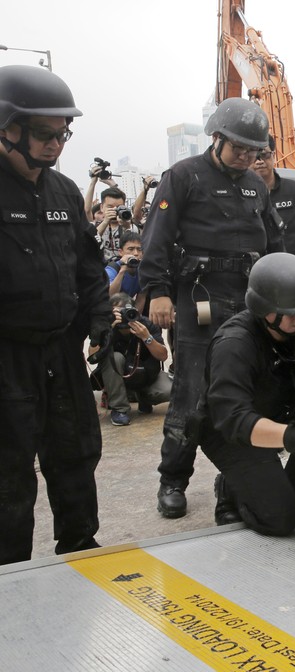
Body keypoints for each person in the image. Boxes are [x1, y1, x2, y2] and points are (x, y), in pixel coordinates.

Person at [140, 96, 284, 520]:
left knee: (248, 392)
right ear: (216, 138)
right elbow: (157, 239)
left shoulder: (257, 186)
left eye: (253, 151)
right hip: (200, 299)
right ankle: (173, 478)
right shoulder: (183, 177)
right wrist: (157, 291)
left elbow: (275, 246)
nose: (245, 156)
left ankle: (235, 481)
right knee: (191, 395)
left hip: (249, 301)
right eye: (238, 147)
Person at [0, 65, 112, 564]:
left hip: (61, 350)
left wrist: (101, 319)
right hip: (8, 357)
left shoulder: (66, 193)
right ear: (7, 127)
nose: (56, 144)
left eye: (63, 133)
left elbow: (89, 268)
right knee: (8, 472)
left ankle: (79, 551)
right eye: (44, 133)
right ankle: (10, 575)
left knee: (75, 454)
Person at [197, 253, 295, 533]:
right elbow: (233, 419)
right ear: (265, 310)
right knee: (280, 519)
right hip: (231, 434)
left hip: (276, 410)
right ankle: (229, 489)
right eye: (293, 312)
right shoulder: (234, 345)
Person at [91, 293, 172, 426]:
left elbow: (163, 356)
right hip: (118, 377)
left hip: (145, 376)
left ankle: (143, 397)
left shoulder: (146, 324)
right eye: (119, 312)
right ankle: (120, 409)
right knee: (115, 357)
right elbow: (92, 357)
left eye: (127, 311)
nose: (124, 316)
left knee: (170, 390)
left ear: (135, 311)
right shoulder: (106, 326)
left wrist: (147, 337)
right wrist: (106, 330)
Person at [106, 231, 144, 298]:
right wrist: (122, 270)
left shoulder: (142, 271)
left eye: (139, 249)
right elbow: (110, 296)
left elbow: (141, 299)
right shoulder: (112, 269)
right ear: (120, 252)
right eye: (131, 249)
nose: (136, 253)